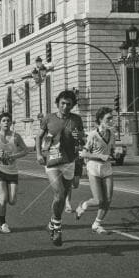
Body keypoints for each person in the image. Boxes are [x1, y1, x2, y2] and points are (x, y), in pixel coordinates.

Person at [37, 90, 85, 247]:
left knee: (63, 197)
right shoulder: (49, 118)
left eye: (69, 104)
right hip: (52, 161)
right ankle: (57, 228)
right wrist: (38, 154)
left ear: (72, 106)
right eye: (63, 103)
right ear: (58, 103)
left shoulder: (76, 119)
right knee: (59, 193)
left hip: (69, 161)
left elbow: (81, 142)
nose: (65, 106)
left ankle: (52, 222)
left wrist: (80, 139)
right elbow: (39, 137)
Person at [0, 112, 28, 233]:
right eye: (3, 120)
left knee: (12, 201)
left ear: (11, 123)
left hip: (13, 172)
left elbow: (25, 150)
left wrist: (14, 156)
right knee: (3, 199)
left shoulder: (16, 136)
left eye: (8, 120)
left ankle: (6, 201)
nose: (6, 123)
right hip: (0, 170)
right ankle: (3, 224)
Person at [75, 107, 115, 235]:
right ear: (100, 120)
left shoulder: (111, 134)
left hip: (107, 168)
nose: (111, 120)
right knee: (98, 200)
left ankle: (97, 224)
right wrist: (101, 156)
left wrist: (114, 154)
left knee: (108, 200)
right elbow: (84, 153)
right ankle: (84, 205)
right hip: (94, 168)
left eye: (111, 118)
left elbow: (109, 150)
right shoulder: (93, 134)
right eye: (108, 118)